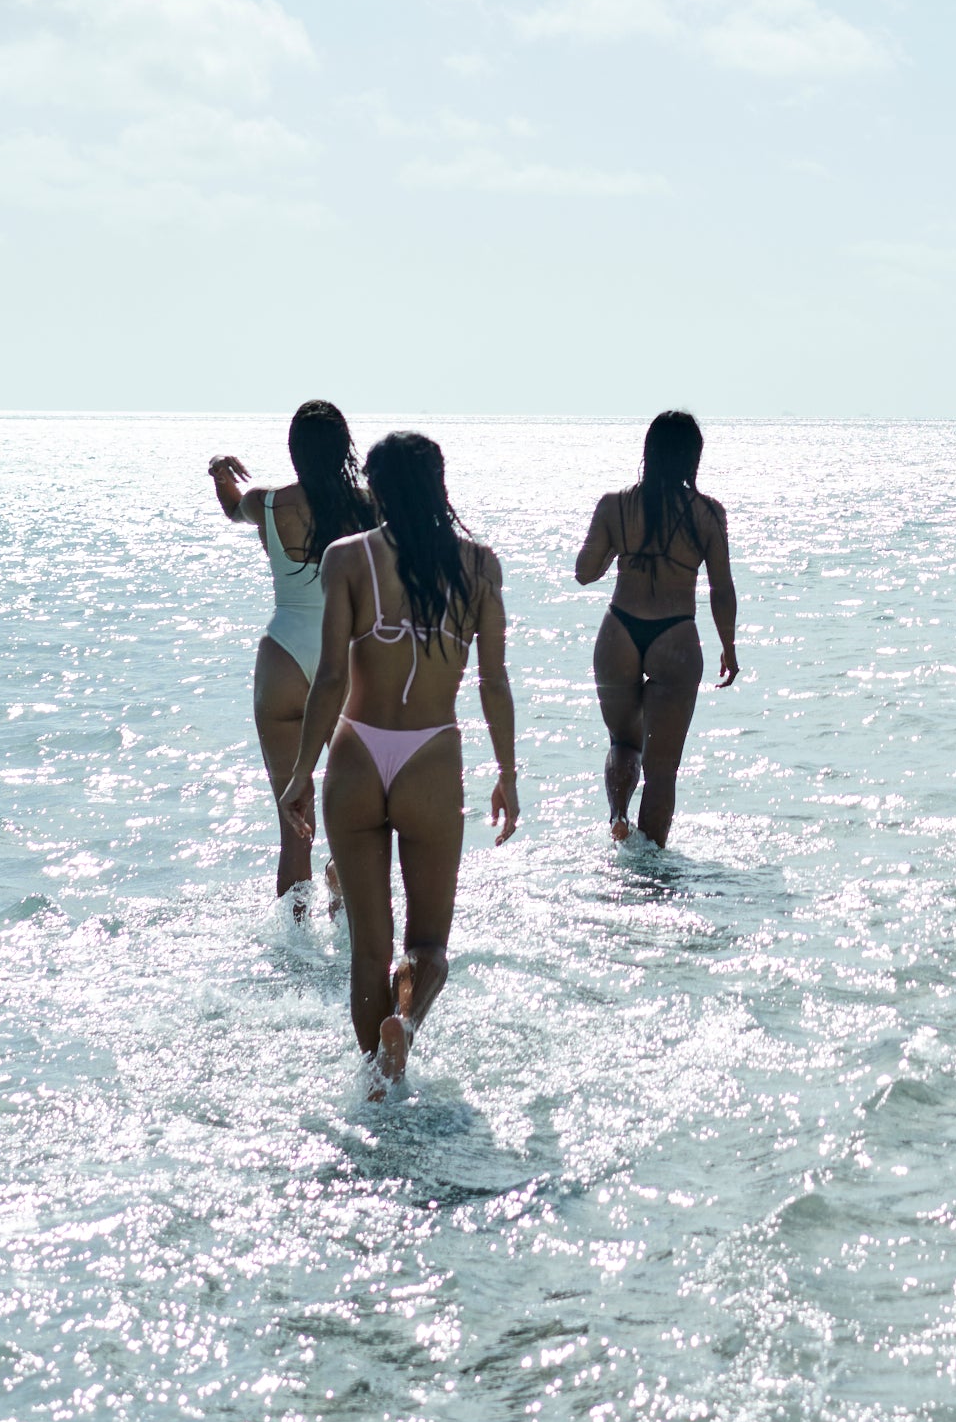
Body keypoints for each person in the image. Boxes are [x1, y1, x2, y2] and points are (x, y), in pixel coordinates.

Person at [282, 429, 518, 1091]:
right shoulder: (480, 566)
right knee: (430, 946)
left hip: (357, 752)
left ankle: (376, 1091)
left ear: (376, 488)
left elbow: (330, 677)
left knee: (368, 947)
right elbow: (492, 682)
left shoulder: (345, 558)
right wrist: (507, 773)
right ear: (440, 485)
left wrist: (301, 773)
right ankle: (405, 1026)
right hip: (431, 758)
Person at [206, 402, 372, 910]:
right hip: (343, 662)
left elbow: (231, 506)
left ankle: (294, 953)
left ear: (293, 451)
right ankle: (343, 911)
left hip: (280, 657)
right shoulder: (369, 505)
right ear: (345, 448)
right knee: (357, 815)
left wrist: (219, 470)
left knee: (293, 825)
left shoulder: (268, 504)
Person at [574, 409, 739, 846]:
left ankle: (617, 817)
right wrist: (729, 647)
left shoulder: (615, 505)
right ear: (692, 459)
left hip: (619, 631)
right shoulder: (708, 514)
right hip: (676, 636)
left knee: (621, 742)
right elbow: (721, 589)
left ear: (648, 451)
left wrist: (621, 546)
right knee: (662, 768)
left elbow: (584, 572)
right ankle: (651, 872)